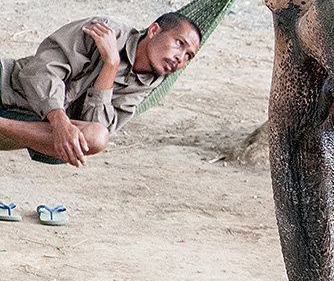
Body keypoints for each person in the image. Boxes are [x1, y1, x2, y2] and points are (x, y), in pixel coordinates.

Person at [0, 13, 201, 167]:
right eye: (179, 43)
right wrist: (59, 121)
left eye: (188, 56)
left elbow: (92, 127)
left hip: (26, 124)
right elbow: (41, 71)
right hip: (7, 86)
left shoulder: (148, 84)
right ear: (154, 30)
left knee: (97, 137)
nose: (180, 58)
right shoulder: (105, 31)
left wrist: (111, 65)